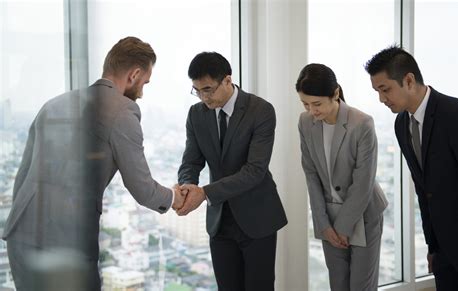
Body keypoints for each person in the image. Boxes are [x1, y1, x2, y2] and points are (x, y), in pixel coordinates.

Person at [3, 36, 185, 291]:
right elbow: (142, 188)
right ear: (133, 75)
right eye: (144, 83)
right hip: (68, 241)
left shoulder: (54, 104)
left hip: (20, 235)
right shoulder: (123, 111)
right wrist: (176, 198)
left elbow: (23, 175)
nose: (142, 92)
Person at [365, 45, 458, 291]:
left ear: (409, 80)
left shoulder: (457, 115)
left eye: (385, 89)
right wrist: (432, 247)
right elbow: (424, 191)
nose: (381, 99)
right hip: (443, 251)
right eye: (377, 91)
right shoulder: (401, 124)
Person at [175, 51, 287, 291]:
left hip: (257, 217)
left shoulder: (261, 110)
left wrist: (204, 193)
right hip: (220, 221)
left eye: (208, 89)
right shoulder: (196, 115)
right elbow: (191, 162)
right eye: (197, 90)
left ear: (227, 80)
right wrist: (186, 187)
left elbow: (255, 171)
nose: (203, 98)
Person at [297, 63, 388, 290]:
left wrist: (343, 228)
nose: (312, 111)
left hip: (364, 213)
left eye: (317, 104)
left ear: (335, 93)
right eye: (305, 104)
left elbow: (363, 183)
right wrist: (323, 223)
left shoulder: (362, 123)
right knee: (338, 284)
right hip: (328, 217)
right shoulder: (305, 122)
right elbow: (311, 174)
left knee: (360, 286)